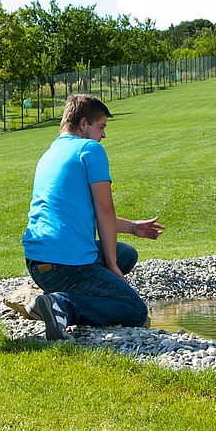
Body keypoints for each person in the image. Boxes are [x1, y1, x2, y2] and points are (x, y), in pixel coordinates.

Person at [21, 93, 165, 340]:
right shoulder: (89, 149)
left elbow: (76, 212)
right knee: (135, 311)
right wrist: (110, 266)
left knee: (126, 254)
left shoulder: (50, 152)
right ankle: (62, 305)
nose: (104, 135)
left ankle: (47, 304)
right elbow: (104, 210)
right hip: (65, 264)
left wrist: (132, 227)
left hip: (39, 263)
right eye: (102, 127)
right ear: (84, 123)